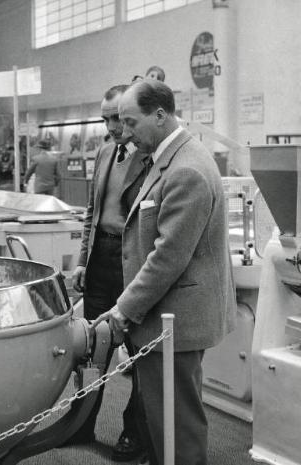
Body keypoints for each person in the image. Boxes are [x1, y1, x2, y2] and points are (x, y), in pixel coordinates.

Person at [109, 79, 236, 465]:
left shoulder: (187, 170)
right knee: (164, 417)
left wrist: (122, 310)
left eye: (131, 123)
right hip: (164, 317)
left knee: (177, 422)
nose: (125, 135)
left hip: (175, 319)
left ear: (160, 115)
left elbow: (168, 257)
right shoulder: (168, 159)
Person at [64, 85, 150, 462]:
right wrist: (83, 260)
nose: (111, 126)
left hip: (132, 263)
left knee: (139, 356)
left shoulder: (150, 160)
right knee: (90, 351)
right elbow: (91, 215)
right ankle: (82, 423)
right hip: (99, 260)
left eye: (117, 118)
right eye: (105, 118)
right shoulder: (103, 153)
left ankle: (134, 433)